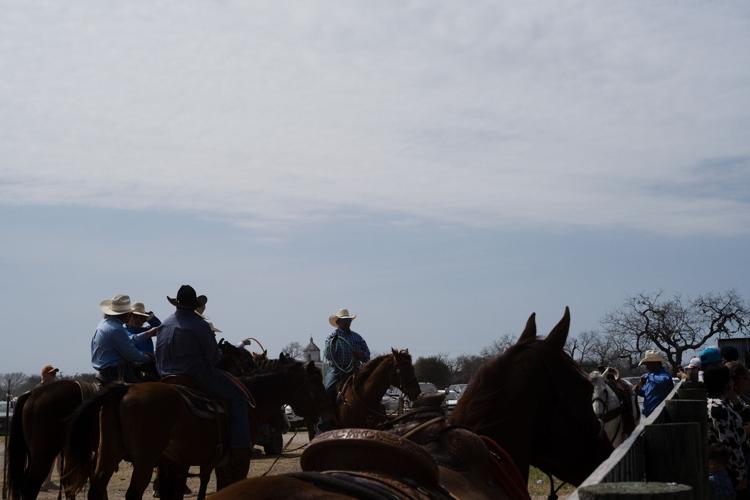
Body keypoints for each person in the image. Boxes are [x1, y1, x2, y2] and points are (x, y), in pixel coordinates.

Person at [155, 285, 251, 469]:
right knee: (238, 396)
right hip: (195, 376)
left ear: (176, 303)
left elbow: (158, 355)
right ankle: (240, 447)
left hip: (166, 377)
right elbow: (213, 357)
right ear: (194, 305)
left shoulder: (164, 324)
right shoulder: (200, 325)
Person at [91, 294, 158, 386]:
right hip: (115, 371)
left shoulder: (105, 323)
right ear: (125, 314)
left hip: (105, 369)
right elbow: (132, 355)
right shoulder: (117, 329)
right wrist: (150, 358)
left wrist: (147, 334)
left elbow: (128, 340)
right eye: (130, 314)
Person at [706, 364, 747, 495]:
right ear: (725, 383)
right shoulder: (720, 408)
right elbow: (729, 443)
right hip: (726, 474)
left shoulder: (712, 403)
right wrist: (739, 475)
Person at [323, 308, 371, 403]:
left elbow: (367, 355)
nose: (347, 322)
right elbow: (328, 355)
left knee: (371, 386)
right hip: (337, 371)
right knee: (327, 389)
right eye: (344, 320)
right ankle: (326, 415)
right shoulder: (332, 337)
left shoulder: (358, 337)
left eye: (348, 320)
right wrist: (332, 346)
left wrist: (361, 355)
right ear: (338, 322)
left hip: (355, 370)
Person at [633, 350, 674, 417]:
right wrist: (638, 390)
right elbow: (646, 393)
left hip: (661, 416)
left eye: (648, 364)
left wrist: (648, 376)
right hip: (649, 414)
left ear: (655, 363)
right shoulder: (651, 377)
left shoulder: (663, 375)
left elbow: (663, 381)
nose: (647, 367)